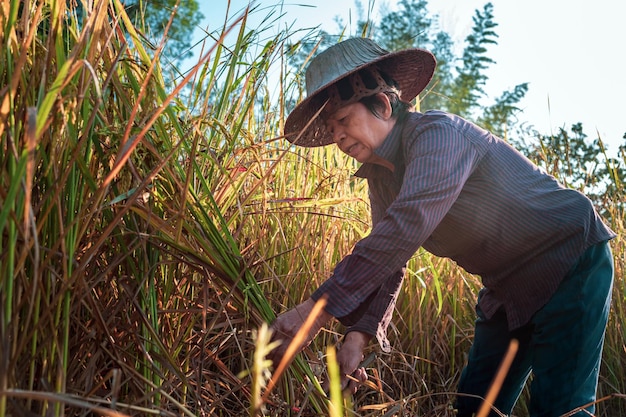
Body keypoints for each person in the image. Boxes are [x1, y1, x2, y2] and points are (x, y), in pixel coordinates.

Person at [269, 37, 616, 416]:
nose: (337, 137)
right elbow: (389, 259)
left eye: (343, 121)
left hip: (569, 260)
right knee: (475, 406)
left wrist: (316, 312)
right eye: (331, 128)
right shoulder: (380, 177)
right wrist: (358, 335)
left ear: (383, 105)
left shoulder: (437, 134)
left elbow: (405, 226)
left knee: (559, 408)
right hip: (505, 288)